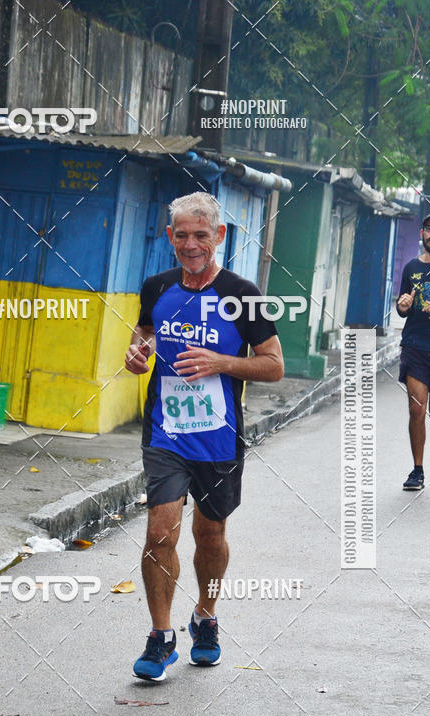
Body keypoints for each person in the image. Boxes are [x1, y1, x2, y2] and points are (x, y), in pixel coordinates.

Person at [124, 192, 284, 681]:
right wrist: (137, 353)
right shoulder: (157, 286)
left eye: (200, 235)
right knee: (160, 532)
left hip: (218, 439)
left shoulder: (241, 294)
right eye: (181, 235)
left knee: (209, 534)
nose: (190, 245)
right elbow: (144, 332)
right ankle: (160, 637)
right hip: (166, 433)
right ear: (169, 237)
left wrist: (222, 363)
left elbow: (274, 366)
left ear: (219, 236)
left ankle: (206, 616)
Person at [397, 211, 430, 490]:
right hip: (415, 346)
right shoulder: (411, 267)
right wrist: (402, 307)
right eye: (428, 228)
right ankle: (417, 470)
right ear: (421, 233)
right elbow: (404, 305)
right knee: (416, 409)